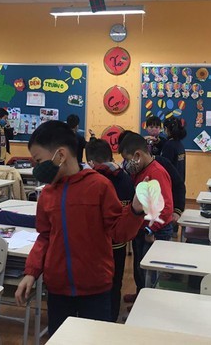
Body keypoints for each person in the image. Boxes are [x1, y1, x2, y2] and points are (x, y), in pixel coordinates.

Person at [14, 120, 145, 335]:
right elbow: (44, 237)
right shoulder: (47, 194)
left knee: (94, 339)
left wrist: (135, 211)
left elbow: (119, 232)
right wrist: (31, 272)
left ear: (61, 155)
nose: (37, 168)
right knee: (61, 338)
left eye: (39, 160)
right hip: (58, 289)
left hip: (96, 289)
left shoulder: (99, 186)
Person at [118, 132, 174, 301]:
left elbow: (166, 209)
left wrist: (150, 229)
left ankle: (148, 302)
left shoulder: (156, 172)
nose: (126, 164)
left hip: (155, 230)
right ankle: (140, 295)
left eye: (127, 159)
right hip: (142, 228)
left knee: (150, 271)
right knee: (139, 267)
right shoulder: (141, 171)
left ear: (137, 155)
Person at [85, 138, 135, 322]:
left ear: (90, 162)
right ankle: (111, 319)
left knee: (95, 286)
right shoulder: (126, 178)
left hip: (97, 245)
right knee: (115, 284)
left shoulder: (91, 181)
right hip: (119, 243)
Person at [161, 117, 186, 183]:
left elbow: (164, 165)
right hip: (179, 182)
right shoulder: (180, 144)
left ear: (166, 129)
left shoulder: (169, 145)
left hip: (171, 183)